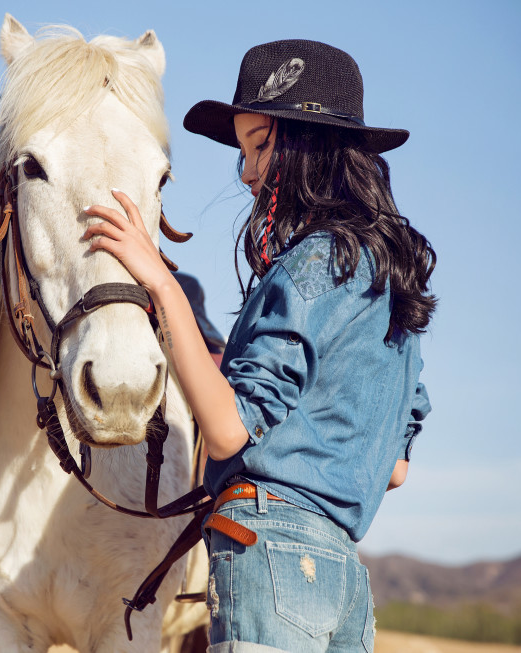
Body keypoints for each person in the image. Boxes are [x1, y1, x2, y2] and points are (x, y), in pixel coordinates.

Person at [84, 38, 435, 653]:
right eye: (243, 151)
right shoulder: (389, 281)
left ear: (313, 145)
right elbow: (396, 469)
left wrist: (161, 282)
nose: (246, 172)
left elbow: (227, 431)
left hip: (268, 550)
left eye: (261, 145)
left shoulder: (313, 262)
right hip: (344, 578)